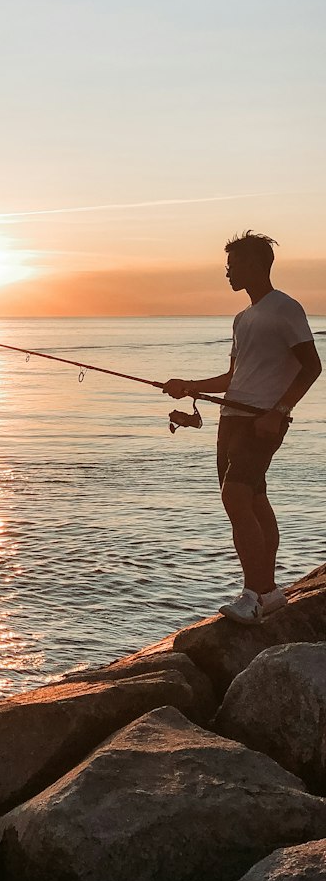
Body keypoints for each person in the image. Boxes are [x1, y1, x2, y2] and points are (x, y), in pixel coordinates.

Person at [163, 231, 321, 624]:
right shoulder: (242, 317)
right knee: (252, 500)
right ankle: (268, 592)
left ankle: (255, 593)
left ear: (254, 265)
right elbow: (235, 376)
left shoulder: (285, 308)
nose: (227, 273)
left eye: (232, 266)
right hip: (231, 418)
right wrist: (189, 387)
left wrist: (279, 410)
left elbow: (313, 366)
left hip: (262, 421)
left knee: (235, 496)